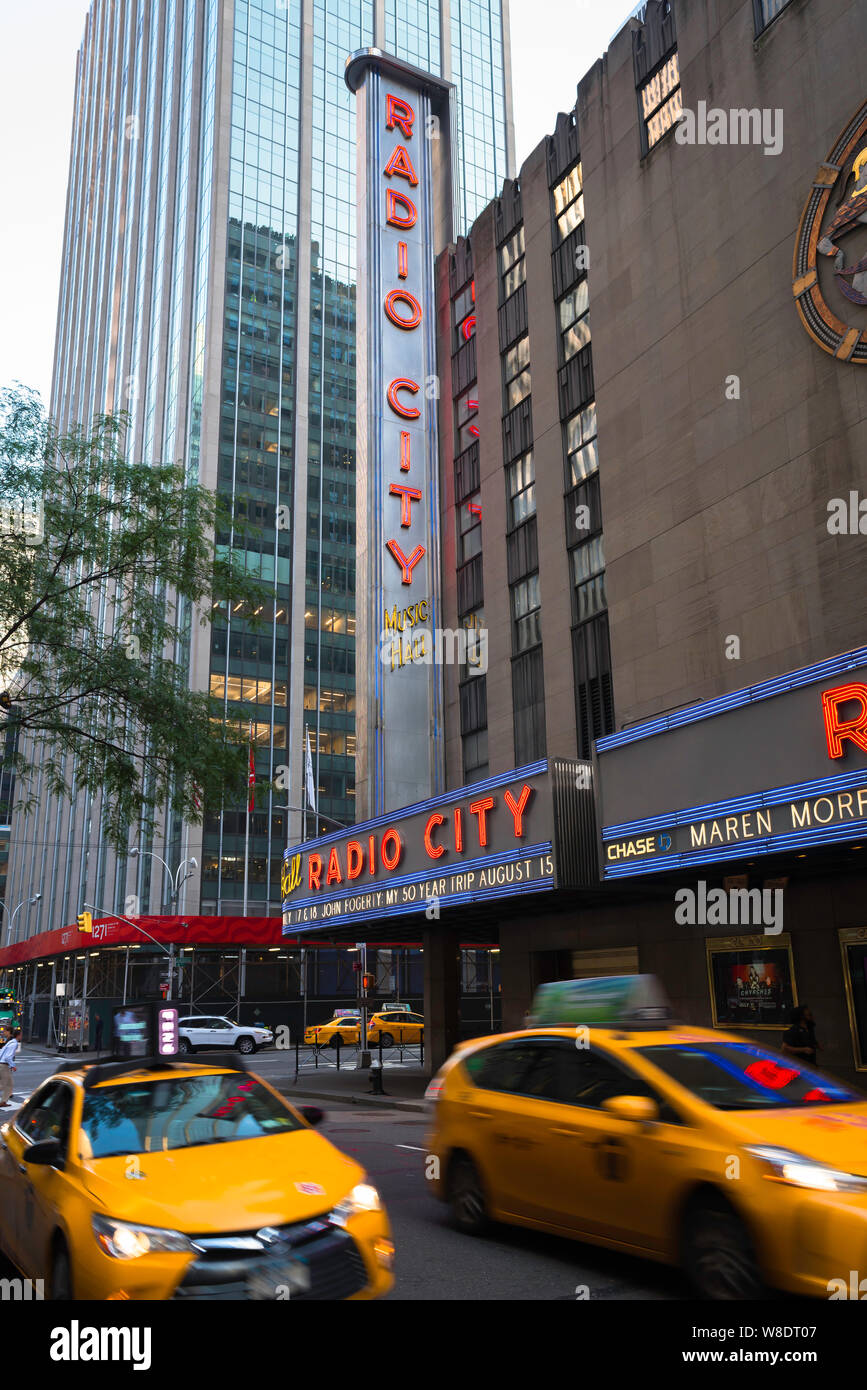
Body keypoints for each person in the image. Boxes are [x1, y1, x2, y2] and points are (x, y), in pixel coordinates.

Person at [0, 1027, 21, 1107]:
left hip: (2, 1064)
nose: (3, 1032)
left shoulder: (9, 1041)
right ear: (18, 1036)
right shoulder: (14, 1043)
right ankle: (3, 1101)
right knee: (2, 1085)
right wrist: (13, 1066)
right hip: (4, 1065)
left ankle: (3, 1102)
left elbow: (2, 1051)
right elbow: (8, 1057)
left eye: (5, 1031)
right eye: (21, 1035)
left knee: (9, 1085)